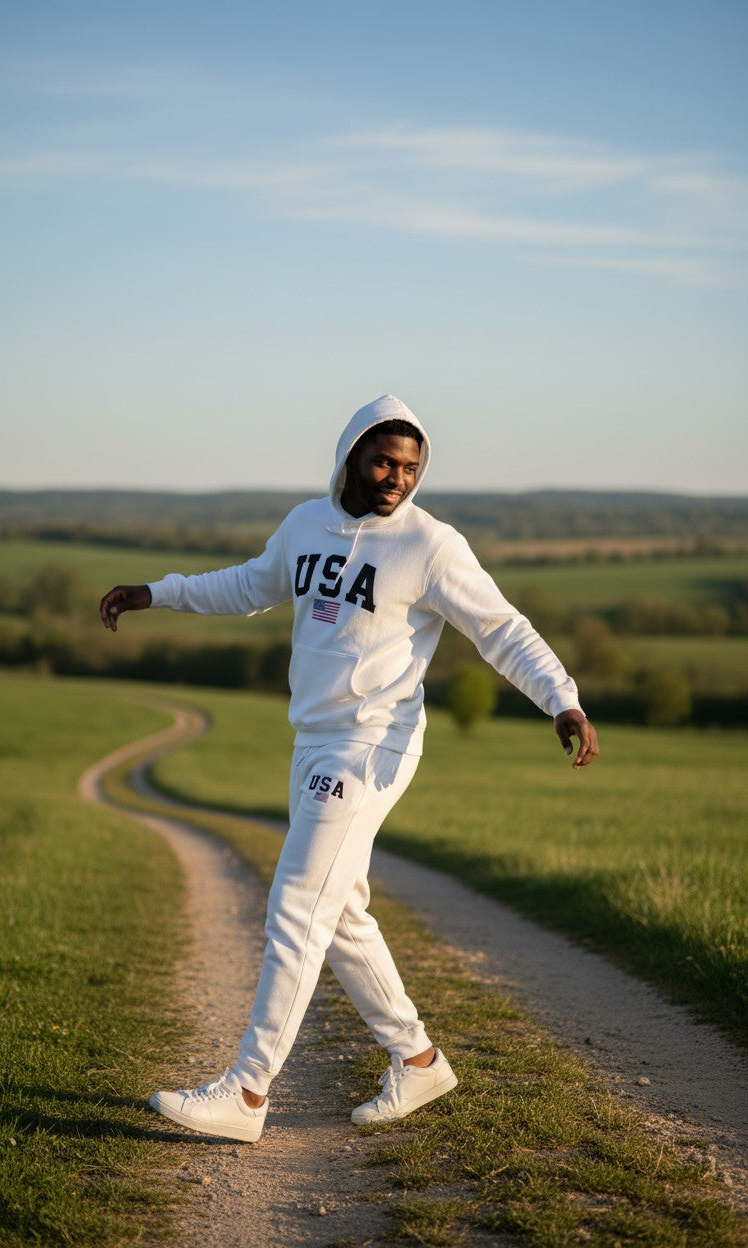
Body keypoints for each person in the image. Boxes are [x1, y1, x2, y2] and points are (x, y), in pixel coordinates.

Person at [99, 394, 598, 1143]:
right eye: (383, 461)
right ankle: (418, 1058)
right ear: (351, 456)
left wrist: (561, 698)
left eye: (410, 466)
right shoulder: (305, 525)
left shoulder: (431, 546)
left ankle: (247, 1093)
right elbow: (250, 585)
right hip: (312, 742)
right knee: (341, 912)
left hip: (374, 744)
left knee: (298, 902)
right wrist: (157, 593)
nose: (397, 477)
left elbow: (501, 628)